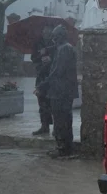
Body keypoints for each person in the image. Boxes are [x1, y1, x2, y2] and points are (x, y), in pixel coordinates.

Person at [34, 25, 78, 158]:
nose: (53, 39)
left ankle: (62, 148)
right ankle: (66, 147)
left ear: (59, 37)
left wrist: (41, 86)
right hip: (64, 90)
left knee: (60, 121)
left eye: (54, 37)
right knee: (65, 120)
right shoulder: (65, 48)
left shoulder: (64, 49)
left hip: (60, 91)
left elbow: (57, 72)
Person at [30, 27, 55, 136]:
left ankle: (56, 127)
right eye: (44, 30)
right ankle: (44, 126)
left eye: (48, 30)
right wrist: (41, 57)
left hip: (52, 75)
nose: (46, 32)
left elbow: (59, 57)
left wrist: (50, 58)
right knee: (42, 102)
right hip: (41, 75)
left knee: (53, 103)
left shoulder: (55, 43)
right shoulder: (37, 43)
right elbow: (33, 58)